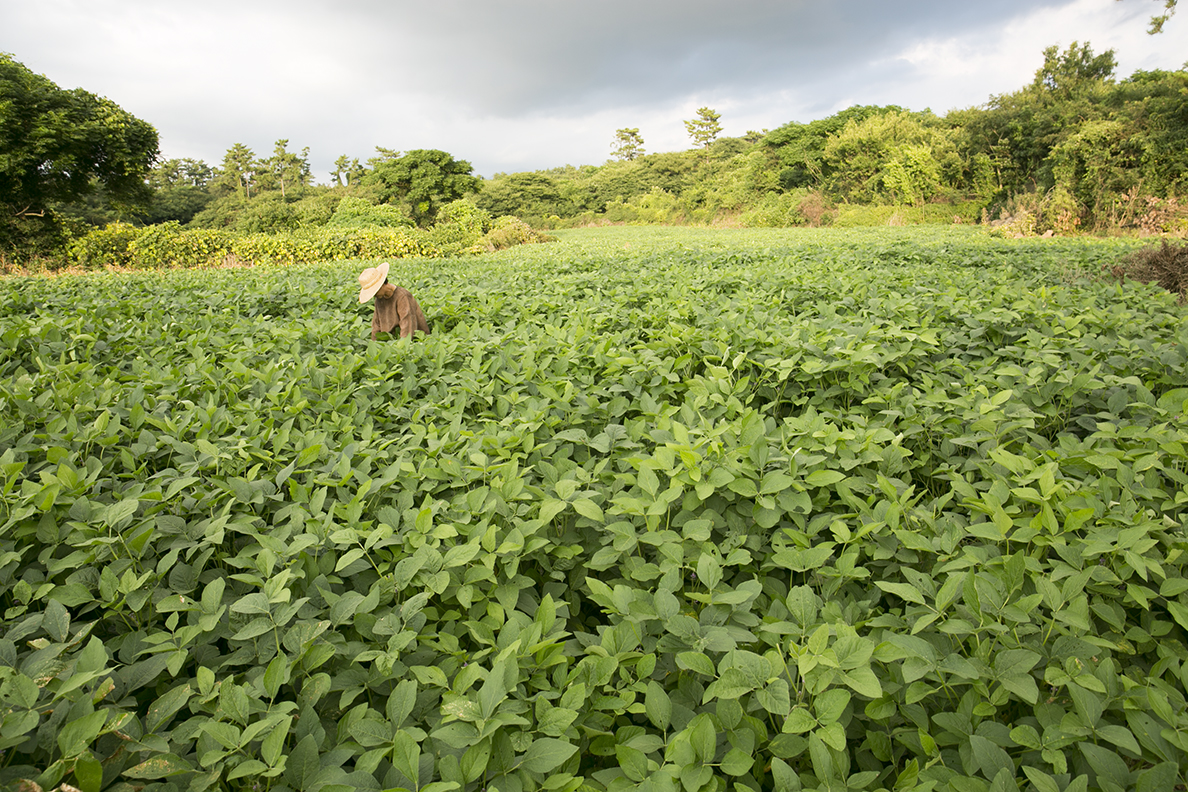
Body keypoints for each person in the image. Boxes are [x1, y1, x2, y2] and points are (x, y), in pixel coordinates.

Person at [358, 262, 431, 340]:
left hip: (413, 341)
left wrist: (401, 348)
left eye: (374, 291)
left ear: (382, 285)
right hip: (391, 342)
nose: (374, 295)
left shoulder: (402, 296)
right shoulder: (379, 299)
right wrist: (375, 345)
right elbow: (376, 325)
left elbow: (407, 327)